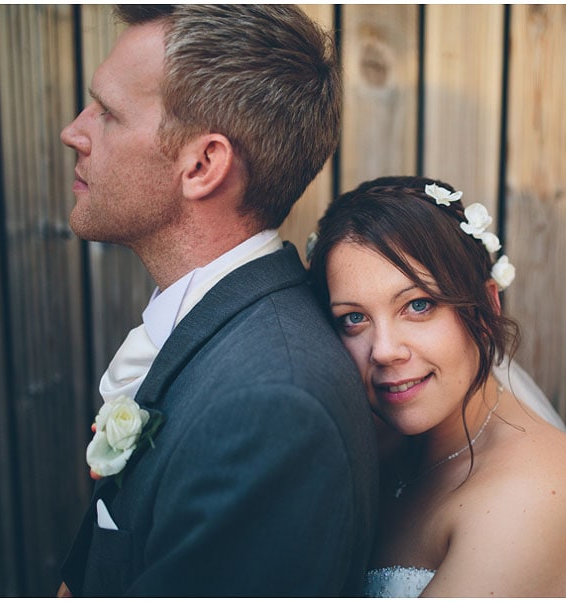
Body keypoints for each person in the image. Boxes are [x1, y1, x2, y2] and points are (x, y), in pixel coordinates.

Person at [57, 5, 378, 596]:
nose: (74, 131)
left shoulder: (271, 408)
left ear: (202, 165)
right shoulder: (220, 329)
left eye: (107, 113)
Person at [307, 176, 566, 597]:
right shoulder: (378, 447)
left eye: (418, 305)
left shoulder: (535, 492)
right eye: (353, 318)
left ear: (486, 307)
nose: (384, 351)